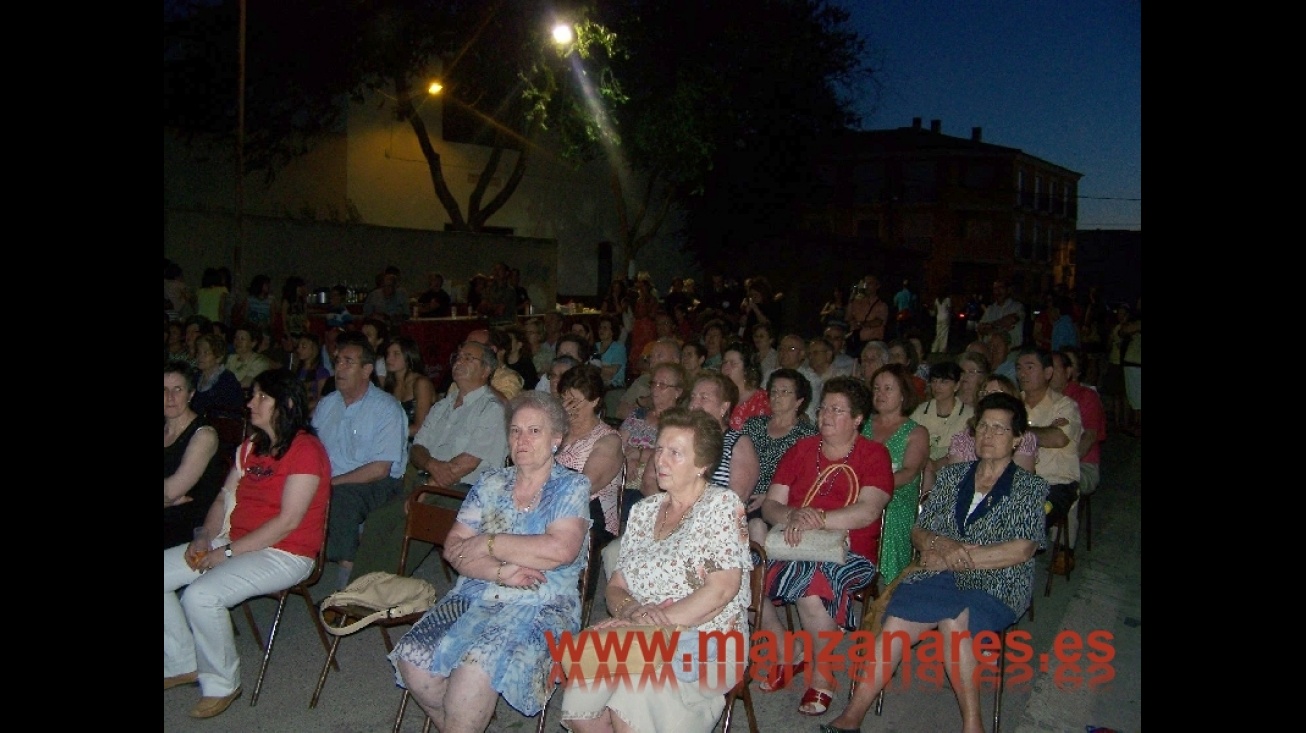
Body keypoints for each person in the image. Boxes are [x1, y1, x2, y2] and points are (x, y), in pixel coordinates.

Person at [825, 392, 1048, 733]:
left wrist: (953, 558)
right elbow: (920, 529)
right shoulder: (953, 477)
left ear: (1018, 438)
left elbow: (1021, 550)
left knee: (954, 621)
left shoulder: (1028, 487)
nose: (988, 435)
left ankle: (973, 726)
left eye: (999, 429)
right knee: (897, 618)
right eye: (983, 426)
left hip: (998, 582)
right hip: (938, 573)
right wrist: (938, 543)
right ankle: (852, 717)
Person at [390, 391, 590, 731]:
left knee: (472, 674)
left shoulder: (571, 486)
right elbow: (454, 548)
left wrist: (487, 542)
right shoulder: (491, 482)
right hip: (475, 592)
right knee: (413, 661)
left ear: (556, 439)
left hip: (540, 601)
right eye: (515, 431)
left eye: (534, 431)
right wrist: (500, 571)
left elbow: (559, 551)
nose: (521, 439)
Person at [561, 407, 751, 733]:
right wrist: (634, 610)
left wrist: (657, 622)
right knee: (582, 690)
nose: (660, 460)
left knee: (631, 696)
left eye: (675, 453)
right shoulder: (644, 511)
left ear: (702, 464)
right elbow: (617, 585)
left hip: (707, 638)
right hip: (642, 633)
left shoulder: (721, 505)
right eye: (659, 449)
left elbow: (721, 590)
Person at [164, 368, 331, 719]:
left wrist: (223, 554)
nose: (250, 402)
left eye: (261, 396)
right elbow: (225, 498)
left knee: (201, 595)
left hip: (287, 552)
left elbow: (287, 522)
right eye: (252, 394)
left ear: (284, 404)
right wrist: (204, 536)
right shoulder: (250, 447)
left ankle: (222, 683)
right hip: (234, 540)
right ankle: (181, 661)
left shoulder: (306, 450)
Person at [755, 376, 894, 715]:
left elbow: (868, 510)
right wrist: (793, 516)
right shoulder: (801, 450)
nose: (826, 416)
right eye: (823, 409)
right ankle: (787, 649)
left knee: (810, 586)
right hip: (794, 544)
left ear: (858, 418)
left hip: (850, 552)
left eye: (837, 410)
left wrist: (818, 518)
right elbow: (771, 505)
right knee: (744, 564)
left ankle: (823, 674)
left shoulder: (874, 455)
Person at [350, 339, 511, 579]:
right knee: (378, 520)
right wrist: (430, 467)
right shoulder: (443, 405)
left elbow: (466, 464)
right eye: (458, 357)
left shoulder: (491, 409)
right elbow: (418, 449)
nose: (459, 362)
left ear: (486, 370)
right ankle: (355, 591)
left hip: (466, 493)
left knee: (413, 523)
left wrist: (427, 488)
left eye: (469, 358)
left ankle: (375, 597)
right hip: (428, 482)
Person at [313, 336, 409, 584]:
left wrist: (331, 483)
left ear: (367, 370)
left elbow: (380, 469)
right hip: (334, 478)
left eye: (348, 362)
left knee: (343, 498)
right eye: (337, 362)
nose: (340, 369)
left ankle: (348, 578)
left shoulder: (386, 408)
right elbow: (312, 449)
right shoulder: (327, 404)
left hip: (377, 482)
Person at [862, 364, 930, 585]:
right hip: (858, 488)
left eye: (888, 389)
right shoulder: (862, 424)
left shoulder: (916, 432)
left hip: (896, 494)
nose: (880, 394)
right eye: (877, 388)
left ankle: (889, 583)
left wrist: (875, 489)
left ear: (903, 394)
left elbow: (910, 472)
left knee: (886, 514)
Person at [740, 368, 817, 544]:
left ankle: (762, 568)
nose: (776, 396)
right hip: (745, 495)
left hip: (780, 502)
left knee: (757, 523)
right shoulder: (753, 425)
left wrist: (768, 496)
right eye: (773, 391)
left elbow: (806, 479)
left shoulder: (807, 435)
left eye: (784, 392)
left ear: (799, 400)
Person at [558, 364, 625, 548]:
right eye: (564, 399)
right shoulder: (557, 431)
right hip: (550, 508)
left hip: (591, 518)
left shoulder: (608, 440)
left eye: (575, 401)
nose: (567, 407)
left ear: (595, 401)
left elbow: (583, 488)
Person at [1016, 347, 1083, 529]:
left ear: (1048, 372)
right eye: (1019, 368)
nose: (1022, 373)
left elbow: (1057, 438)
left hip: (1055, 483)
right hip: (1016, 481)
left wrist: (1015, 430)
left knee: (1027, 519)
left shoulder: (1065, 406)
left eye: (1030, 368)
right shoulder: (1013, 403)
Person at [164, 361, 228, 549]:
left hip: (187, 523)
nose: (169, 397)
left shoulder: (204, 434)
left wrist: (170, 498)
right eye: (164, 390)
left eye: (177, 390)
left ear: (191, 394)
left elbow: (172, 492)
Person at [1051, 348, 1104, 568]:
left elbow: (1090, 436)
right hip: (1047, 462)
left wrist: (1067, 464)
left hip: (1083, 464)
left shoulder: (1086, 397)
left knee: (1066, 482)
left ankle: (1064, 548)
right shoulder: (1044, 397)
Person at [618, 362, 686, 521]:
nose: (655, 389)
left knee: (633, 504)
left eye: (662, 385)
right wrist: (627, 461)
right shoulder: (638, 414)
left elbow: (674, 455)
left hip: (654, 483)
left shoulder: (681, 422)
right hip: (623, 476)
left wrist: (640, 454)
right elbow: (618, 444)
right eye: (653, 383)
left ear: (677, 392)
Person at [948, 375, 1038, 473]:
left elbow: (1019, 482)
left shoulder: (1023, 438)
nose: (988, 397)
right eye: (984, 393)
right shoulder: (962, 439)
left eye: (995, 393)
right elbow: (954, 480)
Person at [912, 360, 972, 498]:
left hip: (953, 474)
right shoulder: (920, 412)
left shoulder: (969, 415)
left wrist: (937, 464)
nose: (937, 387)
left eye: (944, 382)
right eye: (934, 381)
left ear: (956, 385)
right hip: (922, 471)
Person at [383, 336, 436, 442]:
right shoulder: (390, 385)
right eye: (388, 354)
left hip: (420, 443)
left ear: (409, 356)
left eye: (396, 354)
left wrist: (386, 435)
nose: (389, 358)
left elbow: (421, 427)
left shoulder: (421, 383)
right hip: (396, 441)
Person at [615, 337, 682, 420]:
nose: (653, 360)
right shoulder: (643, 380)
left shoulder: (682, 384)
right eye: (651, 356)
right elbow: (620, 412)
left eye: (659, 356)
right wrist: (642, 404)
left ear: (676, 360)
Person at [191, 332, 245, 418]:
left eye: (206, 353)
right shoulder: (195, 377)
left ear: (219, 357)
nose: (200, 356)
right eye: (199, 352)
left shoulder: (227, 380)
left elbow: (231, 412)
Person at [722, 341, 770, 430]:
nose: (726, 367)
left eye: (733, 364)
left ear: (746, 369)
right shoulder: (721, 395)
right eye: (724, 362)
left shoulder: (761, 400)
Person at [776, 333, 822, 422]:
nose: (784, 352)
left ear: (802, 354)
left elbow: (809, 412)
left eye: (791, 349)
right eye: (781, 349)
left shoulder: (811, 379)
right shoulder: (770, 374)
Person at [845, 275, 888, 358]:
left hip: (872, 343)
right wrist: (851, 299)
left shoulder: (882, 305)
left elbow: (878, 322)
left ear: (877, 286)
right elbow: (847, 318)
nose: (867, 286)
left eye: (870, 283)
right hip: (856, 343)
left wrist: (860, 324)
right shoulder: (858, 302)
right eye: (866, 283)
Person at [976, 278, 1025, 349]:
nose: (997, 291)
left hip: (1011, 352)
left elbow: (1011, 320)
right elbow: (980, 329)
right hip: (991, 352)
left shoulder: (1017, 306)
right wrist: (1000, 326)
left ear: (1008, 290)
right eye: (995, 289)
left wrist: (990, 326)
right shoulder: (990, 309)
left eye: (1001, 288)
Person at [224, 324, 273, 390]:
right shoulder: (231, 358)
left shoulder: (260, 362)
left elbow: (245, 384)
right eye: (236, 338)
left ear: (253, 343)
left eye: (242, 339)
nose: (237, 342)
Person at [292, 332, 332, 412]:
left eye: (304, 347)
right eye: (298, 346)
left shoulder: (321, 372)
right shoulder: (297, 370)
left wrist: (302, 408)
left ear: (314, 349)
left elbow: (322, 399)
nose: (299, 350)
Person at [593, 315, 627, 389]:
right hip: (595, 385)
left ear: (613, 332)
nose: (601, 330)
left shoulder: (619, 348)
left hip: (613, 387)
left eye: (605, 328)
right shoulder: (594, 346)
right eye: (600, 328)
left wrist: (594, 367)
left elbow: (612, 371)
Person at [502, 323, 540, 389]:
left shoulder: (526, 365)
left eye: (510, 340)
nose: (506, 342)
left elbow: (529, 388)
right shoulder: (500, 359)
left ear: (519, 344)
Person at [279, 276, 309, 341]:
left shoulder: (302, 302)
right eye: (299, 287)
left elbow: (305, 319)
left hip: (301, 334)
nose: (302, 289)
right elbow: (284, 322)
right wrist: (288, 337)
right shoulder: (286, 302)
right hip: (290, 335)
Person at [929, 290, 952, 355]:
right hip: (945, 317)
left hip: (939, 318)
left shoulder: (937, 300)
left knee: (938, 333)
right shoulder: (947, 300)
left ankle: (934, 348)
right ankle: (942, 349)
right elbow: (949, 309)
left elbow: (935, 310)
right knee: (944, 334)